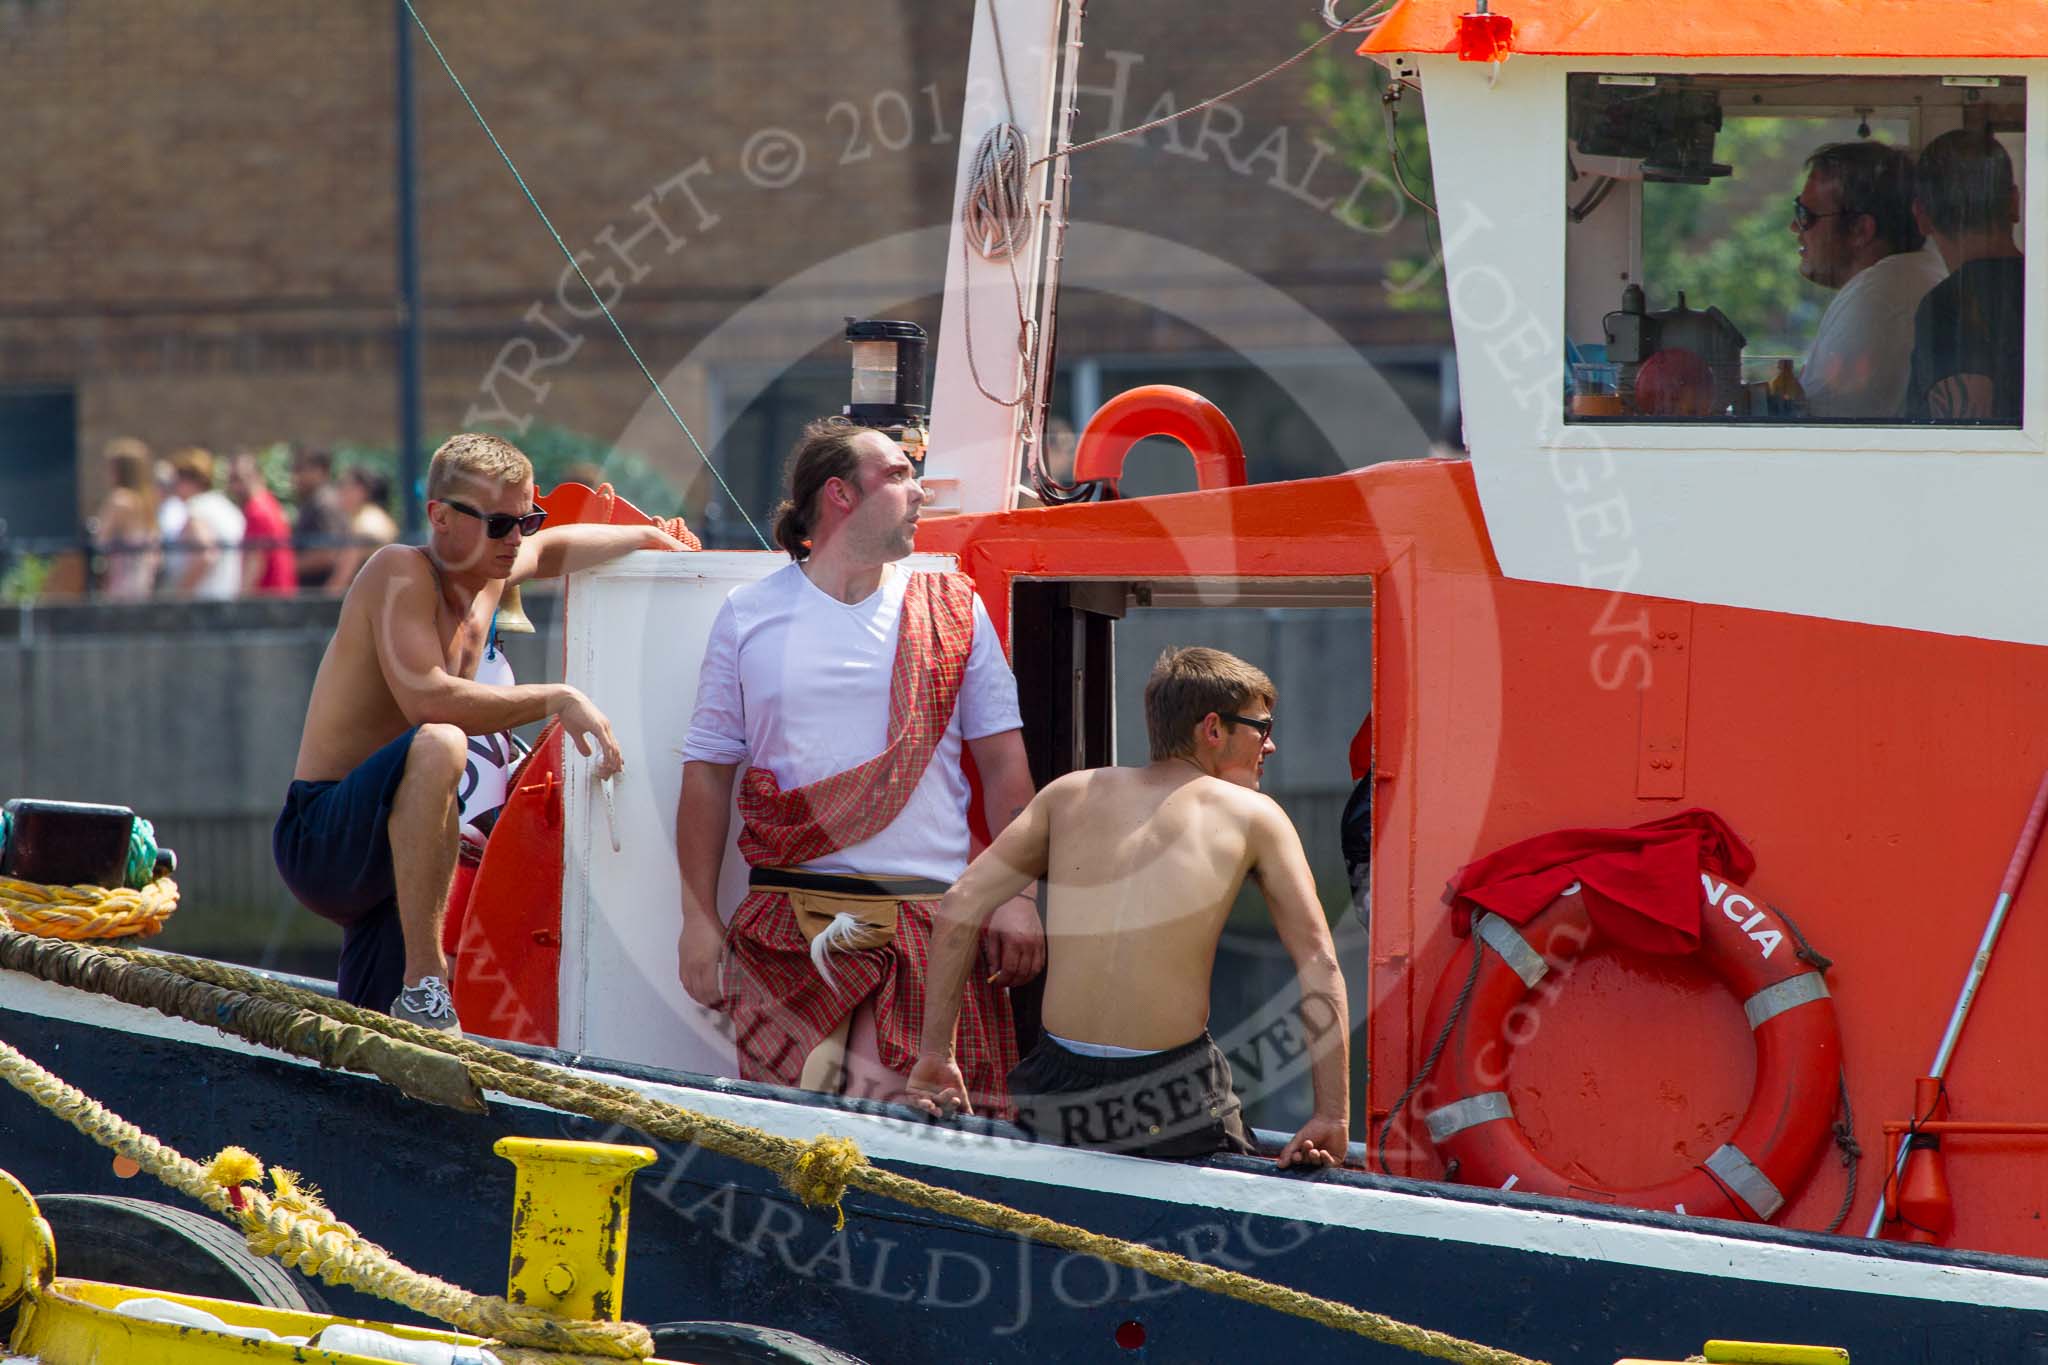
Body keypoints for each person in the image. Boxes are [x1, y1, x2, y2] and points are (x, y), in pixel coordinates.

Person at [677, 416, 1042, 1107]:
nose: (920, 492)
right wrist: (697, 917)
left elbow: (1003, 767)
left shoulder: (952, 607)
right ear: (840, 494)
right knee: (793, 1148)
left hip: (929, 921)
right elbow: (707, 771)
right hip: (789, 925)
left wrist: (1020, 897)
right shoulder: (748, 612)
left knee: (912, 1148)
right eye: (900, 475)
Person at [273, 432, 688, 1030]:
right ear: (440, 516)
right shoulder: (398, 572)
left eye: (525, 519)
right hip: (323, 836)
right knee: (442, 740)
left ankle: (405, 1019)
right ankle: (426, 984)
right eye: (499, 524)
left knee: (374, 1049)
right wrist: (558, 698)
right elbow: (426, 699)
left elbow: (554, 550)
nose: (515, 539)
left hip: (397, 862)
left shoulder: (495, 566)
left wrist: (649, 537)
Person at [909, 647, 1351, 1168]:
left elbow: (960, 903)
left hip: (1056, 1084)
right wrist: (1333, 1117)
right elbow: (1319, 961)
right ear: (1213, 728)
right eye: (1261, 725)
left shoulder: (1068, 794)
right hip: (1171, 1096)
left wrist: (936, 1057)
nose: (1269, 744)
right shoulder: (1255, 815)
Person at [1791, 141, 1947, 419]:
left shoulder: (1876, 295)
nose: (1795, 227)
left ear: (1860, 230)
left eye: (1806, 216)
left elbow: (1822, 431)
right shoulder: (1917, 272)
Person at [1907, 129, 2024, 424]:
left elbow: (1963, 439)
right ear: (2014, 202)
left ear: (1921, 216)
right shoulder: (2039, 289)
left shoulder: (1948, 307)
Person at [165, 448, 245, 600]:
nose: (173, 489)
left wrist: (180, 595)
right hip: (226, 601)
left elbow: (205, 555)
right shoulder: (226, 507)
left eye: (175, 482)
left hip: (202, 606)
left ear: (188, 481)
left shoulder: (197, 509)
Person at [90, 438, 158, 601]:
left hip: (121, 580)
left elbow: (100, 540)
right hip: (143, 580)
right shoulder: (147, 501)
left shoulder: (120, 500)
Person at [226, 454, 297, 597]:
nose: (234, 486)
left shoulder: (257, 511)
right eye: (231, 480)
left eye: (239, 479)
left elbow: (255, 563)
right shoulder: (270, 504)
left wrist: (238, 603)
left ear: (257, 476)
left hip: (267, 603)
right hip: (280, 600)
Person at [327, 467, 402, 589]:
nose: (339, 493)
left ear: (362, 491)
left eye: (345, 487)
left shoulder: (366, 522)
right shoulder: (370, 516)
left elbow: (340, 580)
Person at [291, 448, 350, 591]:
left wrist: (286, 566)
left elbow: (328, 554)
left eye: (302, 469)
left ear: (321, 471)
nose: (296, 476)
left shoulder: (325, 504)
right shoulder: (312, 502)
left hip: (321, 599)